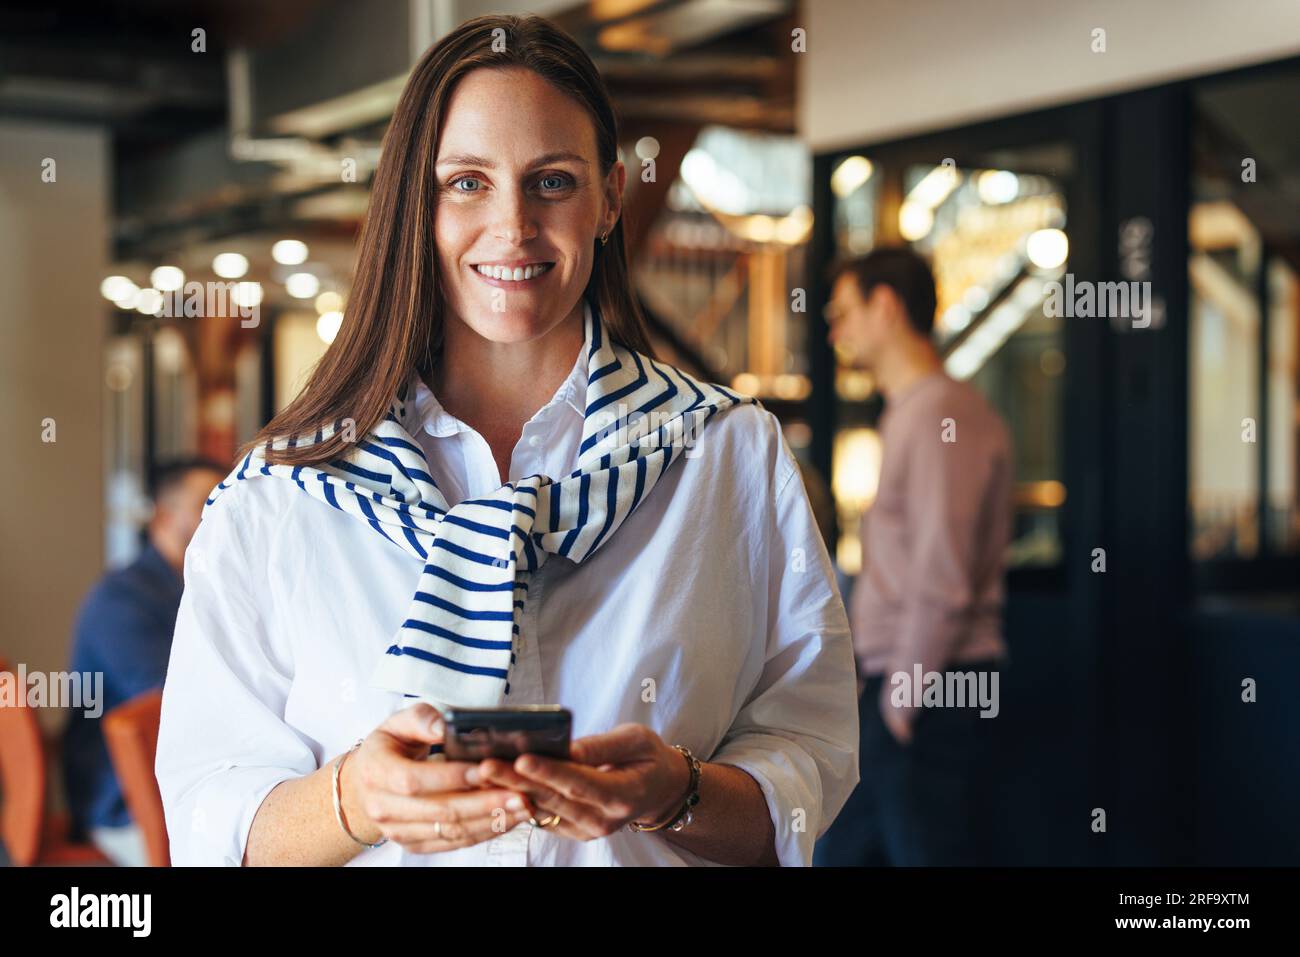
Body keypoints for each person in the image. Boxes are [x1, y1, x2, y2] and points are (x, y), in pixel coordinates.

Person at [155, 13, 858, 867]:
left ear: (608, 199)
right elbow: (208, 824)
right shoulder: (284, 491)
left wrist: (675, 791)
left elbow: (806, 772)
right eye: (466, 183)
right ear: (417, 204)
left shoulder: (729, 457)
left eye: (552, 181)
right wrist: (356, 799)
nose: (513, 225)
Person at [814, 247, 1012, 866]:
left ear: (887, 306)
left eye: (843, 310)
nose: (833, 328)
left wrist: (900, 706)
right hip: (909, 691)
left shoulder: (938, 413)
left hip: (928, 694)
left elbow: (941, 576)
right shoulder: (915, 411)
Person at [62, 457, 227, 866]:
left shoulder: (204, 590)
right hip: (123, 803)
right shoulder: (120, 600)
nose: (221, 518)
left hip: (196, 782)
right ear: (163, 516)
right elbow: (172, 708)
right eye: (206, 505)